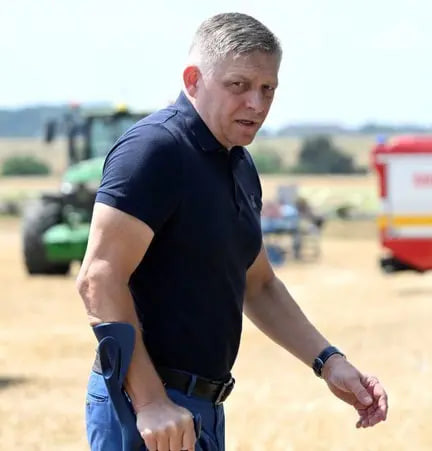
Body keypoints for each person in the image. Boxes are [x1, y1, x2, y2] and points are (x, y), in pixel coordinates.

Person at [77, 12, 388, 450]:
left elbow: (257, 284)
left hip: (202, 409)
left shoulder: (238, 164)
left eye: (268, 89)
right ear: (193, 80)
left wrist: (328, 361)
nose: (256, 105)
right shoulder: (155, 151)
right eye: (238, 86)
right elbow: (99, 279)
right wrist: (150, 402)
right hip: (146, 411)